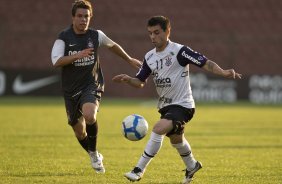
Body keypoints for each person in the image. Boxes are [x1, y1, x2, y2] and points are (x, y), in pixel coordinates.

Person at [112, 15, 242, 183]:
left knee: (158, 128)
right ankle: (192, 165)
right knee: (176, 140)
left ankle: (138, 170)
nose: (153, 37)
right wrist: (129, 79)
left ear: (168, 31)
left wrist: (223, 72)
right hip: (166, 106)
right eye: (150, 33)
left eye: (157, 32)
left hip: (183, 105)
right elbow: (140, 82)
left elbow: (205, 62)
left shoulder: (180, 51)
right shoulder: (149, 57)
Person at [51, 0, 141, 174]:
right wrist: (78, 55)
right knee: (79, 132)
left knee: (89, 114)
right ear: (73, 17)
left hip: (91, 84)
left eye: (87, 16)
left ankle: (93, 155)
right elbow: (56, 61)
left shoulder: (96, 35)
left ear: (90, 17)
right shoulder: (63, 37)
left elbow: (113, 45)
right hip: (71, 90)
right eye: (80, 16)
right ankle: (94, 153)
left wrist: (129, 59)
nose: (83, 20)